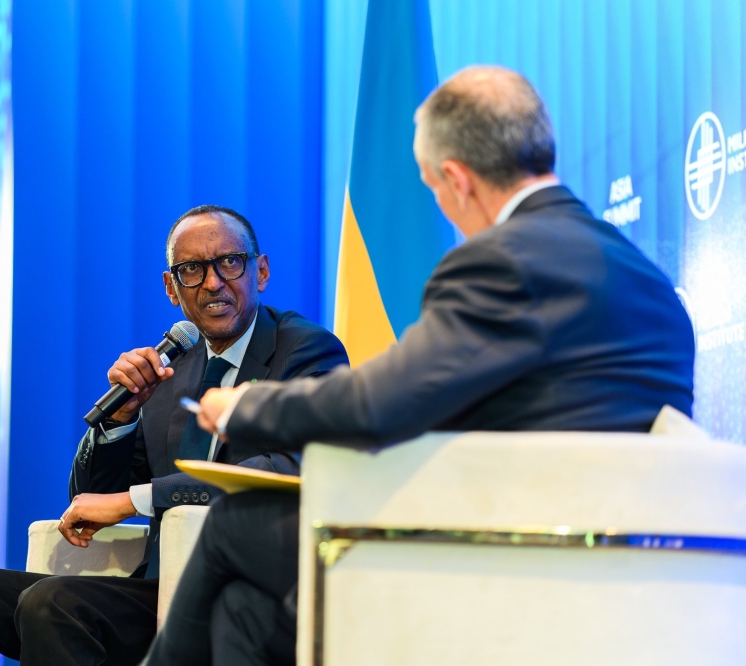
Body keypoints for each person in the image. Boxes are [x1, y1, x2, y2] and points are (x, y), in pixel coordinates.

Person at [142, 66, 696, 666]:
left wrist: (246, 406)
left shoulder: (501, 261)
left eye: (434, 188)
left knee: (234, 522)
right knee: (244, 612)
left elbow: (378, 405)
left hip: (511, 550)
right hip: (614, 557)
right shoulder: (643, 273)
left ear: (457, 179)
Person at [0, 205, 349, 665]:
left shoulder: (304, 351)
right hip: (155, 589)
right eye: (192, 270)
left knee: (53, 604)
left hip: (239, 601)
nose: (214, 282)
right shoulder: (171, 364)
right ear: (171, 289)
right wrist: (120, 421)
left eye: (230, 262)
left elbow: (286, 466)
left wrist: (138, 499)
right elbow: (89, 500)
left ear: (261, 271)